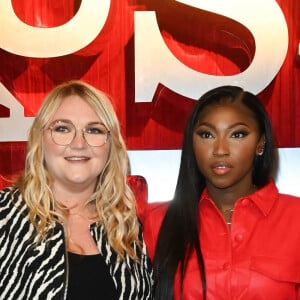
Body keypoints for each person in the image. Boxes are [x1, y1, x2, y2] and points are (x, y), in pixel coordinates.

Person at [142, 85, 300, 299]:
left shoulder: (295, 218)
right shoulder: (156, 221)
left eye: (237, 134)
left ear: (260, 143)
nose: (220, 150)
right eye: (206, 134)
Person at [0, 80, 153, 299]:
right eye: (62, 128)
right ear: (39, 139)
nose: (79, 143)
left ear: (111, 145)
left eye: (94, 130)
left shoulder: (128, 228)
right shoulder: (5, 215)